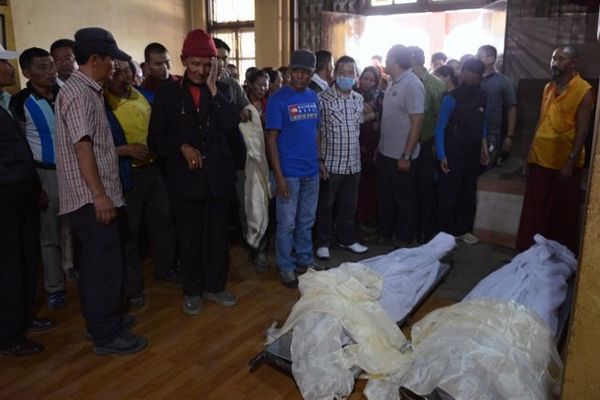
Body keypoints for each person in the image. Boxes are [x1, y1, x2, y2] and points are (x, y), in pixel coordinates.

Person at [55, 27, 147, 355]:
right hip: (90, 198)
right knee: (101, 267)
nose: (114, 67)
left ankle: (106, 321)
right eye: (110, 60)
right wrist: (99, 194)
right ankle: (106, 335)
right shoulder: (80, 93)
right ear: (95, 59)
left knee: (105, 262)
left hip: (98, 194)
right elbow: (83, 147)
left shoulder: (88, 89)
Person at [148, 29, 240, 315]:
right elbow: (155, 139)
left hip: (217, 180)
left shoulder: (222, 91)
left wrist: (213, 89)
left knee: (217, 238)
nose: (201, 71)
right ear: (183, 61)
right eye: (195, 64)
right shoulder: (166, 95)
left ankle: (215, 286)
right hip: (184, 182)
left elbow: (230, 126)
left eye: (207, 64)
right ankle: (191, 290)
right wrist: (181, 147)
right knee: (189, 239)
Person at [104, 59, 178, 310]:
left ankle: (165, 269)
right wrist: (124, 150)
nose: (122, 77)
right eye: (117, 72)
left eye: (127, 71)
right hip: (127, 175)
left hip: (155, 170)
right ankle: (133, 287)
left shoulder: (146, 95)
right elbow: (92, 148)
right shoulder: (101, 103)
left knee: (163, 223)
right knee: (130, 234)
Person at [0, 44, 55, 357]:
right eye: (4, 64)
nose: (10, 70)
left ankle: (22, 320)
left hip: (21, 192)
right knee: (10, 265)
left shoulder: (5, 101)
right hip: (6, 196)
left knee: (24, 260)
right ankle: (9, 336)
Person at [516, 45, 593, 253]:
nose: (555, 63)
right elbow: (541, 121)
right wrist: (530, 152)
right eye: (553, 59)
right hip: (540, 157)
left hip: (564, 162)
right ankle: (529, 251)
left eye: (560, 59)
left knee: (561, 212)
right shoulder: (549, 88)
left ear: (573, 63)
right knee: (535, 210)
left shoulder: (584, 90)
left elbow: (584, 130)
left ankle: (558, 256)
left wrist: (570, 161)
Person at [10, 47, 68, 309]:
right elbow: (21, 145)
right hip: (45, 174)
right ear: (27, 72)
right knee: (50, 235)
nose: (50, 71)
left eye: (51, 65)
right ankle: (55, 287)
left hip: (74, 171)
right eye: (42, 67)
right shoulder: (20, 102)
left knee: (75, 228)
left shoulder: (65, 93)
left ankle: (74, 268)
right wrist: (35, 185)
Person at [265, 49, 322, 288]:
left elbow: (317, 131)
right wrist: (279, 177)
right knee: (286, 223)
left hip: (311, 171)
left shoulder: (314, 97)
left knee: (306, 220)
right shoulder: (278, 100)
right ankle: (286, 265)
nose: (300, 76)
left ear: (311, 74)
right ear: (288, 72)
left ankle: (304, 260)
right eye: (296, 71)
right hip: (288, 173)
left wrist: (319, 161)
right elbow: (271, 139)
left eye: (305, 72)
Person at [315, 55, 368, 259]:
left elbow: (357, 128)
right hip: (331, 163)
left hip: (353, 163)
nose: (347, 76)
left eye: (351, 73)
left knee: (349, 205)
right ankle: (323, 242)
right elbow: (317, 131)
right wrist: (319, 159)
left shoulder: (358, 99)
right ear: (335, 74)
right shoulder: (323, 99)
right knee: (326, 206)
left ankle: (347, 239)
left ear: (355, 76)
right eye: (343, 72)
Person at [434, 58, 490, 244]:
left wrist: (483, 146)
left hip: (472, 151)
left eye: (476, 73)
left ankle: (463, 229)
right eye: (468, 72)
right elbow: (440, 127)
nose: (471, 76)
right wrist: (442, 155)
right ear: (462, 73)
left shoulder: (483, 95)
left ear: (480, 75)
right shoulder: (452, 97)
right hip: (453, 151)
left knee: (468, 192)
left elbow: (483, 122)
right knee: (449, 192)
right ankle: (444, 232)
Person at [376, 45, 425, 247]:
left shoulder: (412, 85)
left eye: (387, 59)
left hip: (401, 155)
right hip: (385, 151)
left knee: (404, 199)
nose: (385, 63)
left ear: (395, 60)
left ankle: (404, 238)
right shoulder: (393, 82)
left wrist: (406, 155)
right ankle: (386, 234)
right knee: (386, 197)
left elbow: (417, 122)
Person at [409, 46, 446, 244]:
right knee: (408, 189)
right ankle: (409, 227)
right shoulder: (400, 82)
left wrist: (437, 145)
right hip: (404, 144)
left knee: (424, 189)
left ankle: (424, 229)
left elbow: (442, 118)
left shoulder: (435, 85)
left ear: (413, 59)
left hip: (425, 143)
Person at [476, 45, 517, 166]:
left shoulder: (503, 81)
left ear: (491, 59)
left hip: (492, 133)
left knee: (487, 167)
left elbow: (511, 108)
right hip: (473, 131)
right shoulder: (472, 79)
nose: (476, 59)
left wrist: (509, 135)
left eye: (479, 56)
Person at [356, 66, 384, 229]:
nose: (367, 82)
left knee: (372, 184)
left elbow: (385, 117)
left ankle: (371, 218)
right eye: (364, 79)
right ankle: (358, 218)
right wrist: (372, 115)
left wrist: (370, 115)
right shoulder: (354, 94)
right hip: (357, 143)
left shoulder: (381, 97)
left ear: (376, 81)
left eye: (371, 80)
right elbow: (354, 118)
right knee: (358, 185)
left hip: (375, 143)